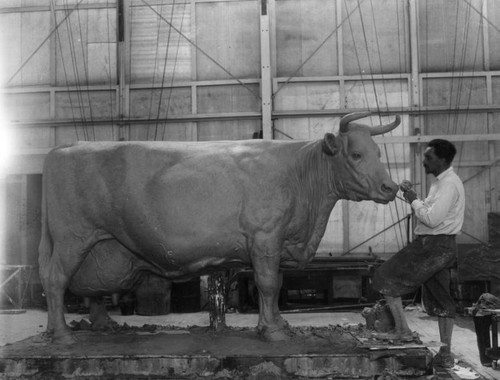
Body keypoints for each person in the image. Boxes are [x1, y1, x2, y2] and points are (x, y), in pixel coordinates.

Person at [372, 139, 465, 368]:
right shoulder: (439, 183)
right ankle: (445, 353)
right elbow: (432, 212)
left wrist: (413, 199)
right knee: (443, 300)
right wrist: (411, 196)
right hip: (441, 246)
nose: (424, 161)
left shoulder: (449, 184)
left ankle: (401, 330)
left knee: (384, 276)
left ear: (442, 160)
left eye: (428, 158)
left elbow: (431, 220)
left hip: (434, 245)